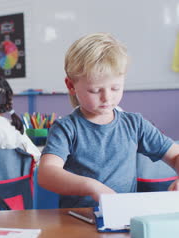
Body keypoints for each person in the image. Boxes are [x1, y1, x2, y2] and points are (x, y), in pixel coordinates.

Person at [38, 33, 179, 208]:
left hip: (122, 218)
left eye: (115, 88)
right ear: (71, 85)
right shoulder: (66, 128)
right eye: (95, 90)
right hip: (78, 219)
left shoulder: (135, 124)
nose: (107, 98)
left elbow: (175, 155)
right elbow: (46, 173)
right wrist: (90, 186)